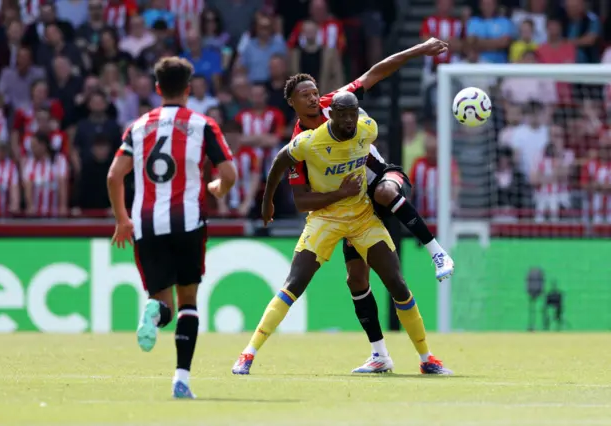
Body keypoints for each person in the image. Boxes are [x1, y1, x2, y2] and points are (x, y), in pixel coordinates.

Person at [232, 92, 452, 376]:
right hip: (325, 219)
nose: (350, 120)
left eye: (353, 113)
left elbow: (377, 160)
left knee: (396, 283)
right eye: (343, 114)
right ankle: (248, 353)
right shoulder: (309, 143)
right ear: (331, 115)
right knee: (295, 282)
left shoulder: (367, 129)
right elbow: (279, 161)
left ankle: (427, 358)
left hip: (362, 216)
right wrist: (267, 201)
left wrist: (386, 181)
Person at [274, 38, 454, 373]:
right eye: (305, 94)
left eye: (315, 92)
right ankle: (379, 355)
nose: (314, 97)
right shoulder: (299, 144)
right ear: (292, 103)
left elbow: (374, 73)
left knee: (385, 195)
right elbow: (303, 189)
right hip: (356, 206)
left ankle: (436, 251)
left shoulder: (336, 104)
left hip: (385, 179)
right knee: (356, 280)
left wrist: (419, 49)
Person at [107, 57, 237, 399]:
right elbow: (229, 174)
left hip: (146, 225)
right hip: (188, 222)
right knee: (189, 302)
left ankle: (156, 311)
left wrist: (122, 219)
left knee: (161, 304)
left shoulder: (137, 127)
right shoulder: (202, 124)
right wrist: (216, 189)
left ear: (157, 88)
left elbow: (113, 175)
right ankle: (181, 379)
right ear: (189, 89)